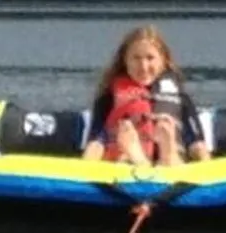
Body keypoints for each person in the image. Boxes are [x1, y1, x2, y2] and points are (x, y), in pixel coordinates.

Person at [82, 25, 209, 167]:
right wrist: (85, 171)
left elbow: (197, 144)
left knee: (172, 147)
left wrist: (208, 171)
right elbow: (97, 142)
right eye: (136, 58)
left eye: (150, 58)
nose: (143, 66)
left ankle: (166, 152)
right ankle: (137, 155)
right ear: (125, 60)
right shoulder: (109, 97)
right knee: (124, 155)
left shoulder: (180, 98)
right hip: (124, 168)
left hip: (174, 170)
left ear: (163, 61)